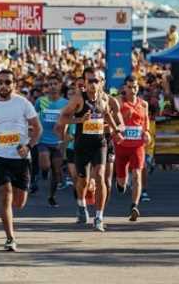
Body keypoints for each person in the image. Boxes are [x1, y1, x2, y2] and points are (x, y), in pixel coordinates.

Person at [0, 69, 42, 251]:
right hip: (1, 157)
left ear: (14, 84)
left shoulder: (23, 103)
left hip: (21, 158)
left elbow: (37, 128)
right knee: (5, 196)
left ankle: (11, 222)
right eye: (0, 82)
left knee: (19, 203)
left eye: (7, 82)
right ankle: (10, 238)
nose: (4, 86)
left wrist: (28, 146)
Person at [58, 68, 122, 232]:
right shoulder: (78, 99)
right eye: (90, 81)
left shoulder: (105, 98)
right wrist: (80, 119)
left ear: (101, 82)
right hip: (82, 144)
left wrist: (115, 131)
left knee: (100, 175)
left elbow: (107, 115)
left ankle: (99, 217)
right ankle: (81, 205)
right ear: (84, 83)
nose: (93, 84)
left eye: (96, 81)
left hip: (99, 142)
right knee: (84, 180)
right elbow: (63, 117)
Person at [112, 76, 151, 222]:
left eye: (135, 87)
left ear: (138, 88)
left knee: (137, 175)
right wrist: (115, 132)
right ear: (124, 88)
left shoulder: (144, 104)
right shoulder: (119, 102)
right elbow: (111, 118)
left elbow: (145, 122)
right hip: (121, 146)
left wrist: (147, 133)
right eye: (129, 87)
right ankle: (119, 183)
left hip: (137, 146)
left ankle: (134, 206)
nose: (132, 90)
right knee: (122, 181)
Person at [33, 74, 68, 208]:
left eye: (55, 84)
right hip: (43, 139)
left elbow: (68, 121)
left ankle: (52, 196)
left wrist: (65, 138)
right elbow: (33, 117)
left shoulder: (65, 103)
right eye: (50, 84)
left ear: (60, 86)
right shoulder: (40, 101)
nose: (52, 86)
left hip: (58, 141)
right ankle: (43, 171)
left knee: (56, 171)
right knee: (45, 164)